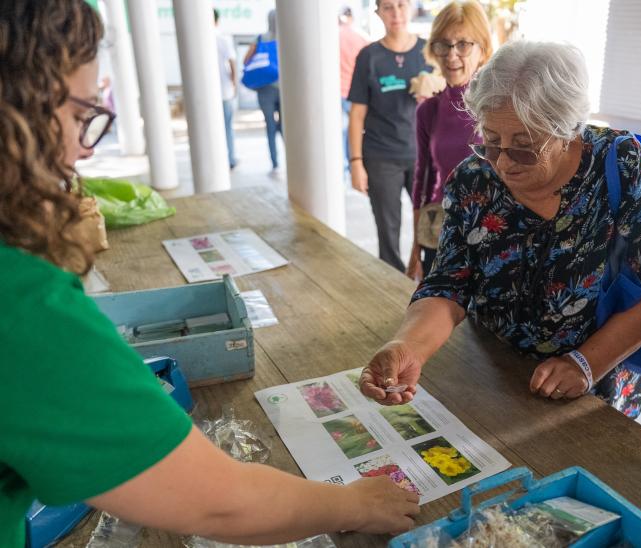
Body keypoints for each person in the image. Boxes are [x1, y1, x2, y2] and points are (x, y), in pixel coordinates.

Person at [0, 2, 419, 547]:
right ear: (20, 114)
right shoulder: (23, 303)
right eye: (82, 116)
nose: (82, 150)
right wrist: (352, 502)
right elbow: (217, 502)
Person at [359, 41, 641, 419]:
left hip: (597, 384)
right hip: (496, 373)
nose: (504, 163)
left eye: (524, 147)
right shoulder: (473, 181)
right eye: (491, 143)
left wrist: (585, 363)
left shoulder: (621, 165)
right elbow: (448, 284)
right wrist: (407, 346)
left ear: (566, 132)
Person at [407, 1, 492, 281]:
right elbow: (422, 181)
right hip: (440, 231)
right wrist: (415, 248)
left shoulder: (496, 107)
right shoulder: (428, 110)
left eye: (463, 44)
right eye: (443, 44)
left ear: (482, 50)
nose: (452, 55)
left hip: (490, 230)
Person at [348, 0, 431, 272]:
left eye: (401, 5)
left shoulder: (428, 51)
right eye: (388, 7)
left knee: (432, 226)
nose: (396, 13)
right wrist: (356, 162)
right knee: (388, 230)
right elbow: (357, 114)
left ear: (410, 8)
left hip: (424, 155)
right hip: (381, 156)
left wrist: (431, 93)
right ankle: (393, 286)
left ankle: (430, 284)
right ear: (378, 13)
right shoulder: (369, 56)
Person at [243, 9, 282, 176]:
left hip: (264, 89)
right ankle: (292, 160)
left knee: (270, 127)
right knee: (285, 126)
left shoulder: (259, 39)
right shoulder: (286, 38)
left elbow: (246, 61)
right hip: (283, 89)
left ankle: (275, 163)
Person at [339, 6, 368, 173]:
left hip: (337, 91)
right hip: (355, 93)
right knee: (354, 127)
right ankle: (353, 163)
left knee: (342, 130)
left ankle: (345, 164)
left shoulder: (332, 36)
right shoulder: (360, 37)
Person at [214, 9, 238, 169]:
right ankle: (230, 159)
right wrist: (234, 83)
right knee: (227, 127)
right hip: (224, 91)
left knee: (213, 128)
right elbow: (232, 62)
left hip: (208, 94)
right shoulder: (222, 38)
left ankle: (217, 159)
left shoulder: (199, 38)